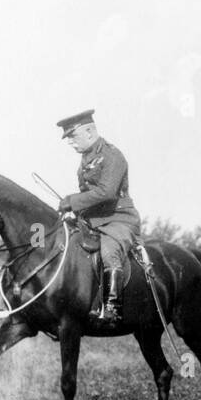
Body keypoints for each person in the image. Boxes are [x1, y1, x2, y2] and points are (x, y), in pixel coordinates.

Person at [55, 109, 142, 323]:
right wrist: (73, 212)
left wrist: (71, 201)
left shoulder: (113, 155)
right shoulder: (86, 159)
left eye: (72, 137)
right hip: (93, 220)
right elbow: (90, 196)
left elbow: (106, 192)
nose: (70, 142)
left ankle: (112, 307)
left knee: (109, 251)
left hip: (118, 219)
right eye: (68, 138)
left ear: (89, 131)